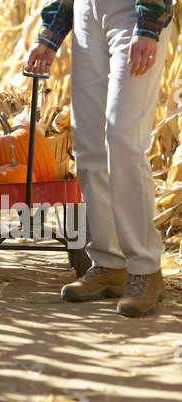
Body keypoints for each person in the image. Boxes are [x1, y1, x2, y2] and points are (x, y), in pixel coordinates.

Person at [25, 0, 173, 317]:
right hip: (86, 13)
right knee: (88, 143)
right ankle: (109, 263)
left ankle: (146, 270)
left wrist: (148, 24)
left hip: (131, 12)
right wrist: (50, 34)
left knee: (124, 139)